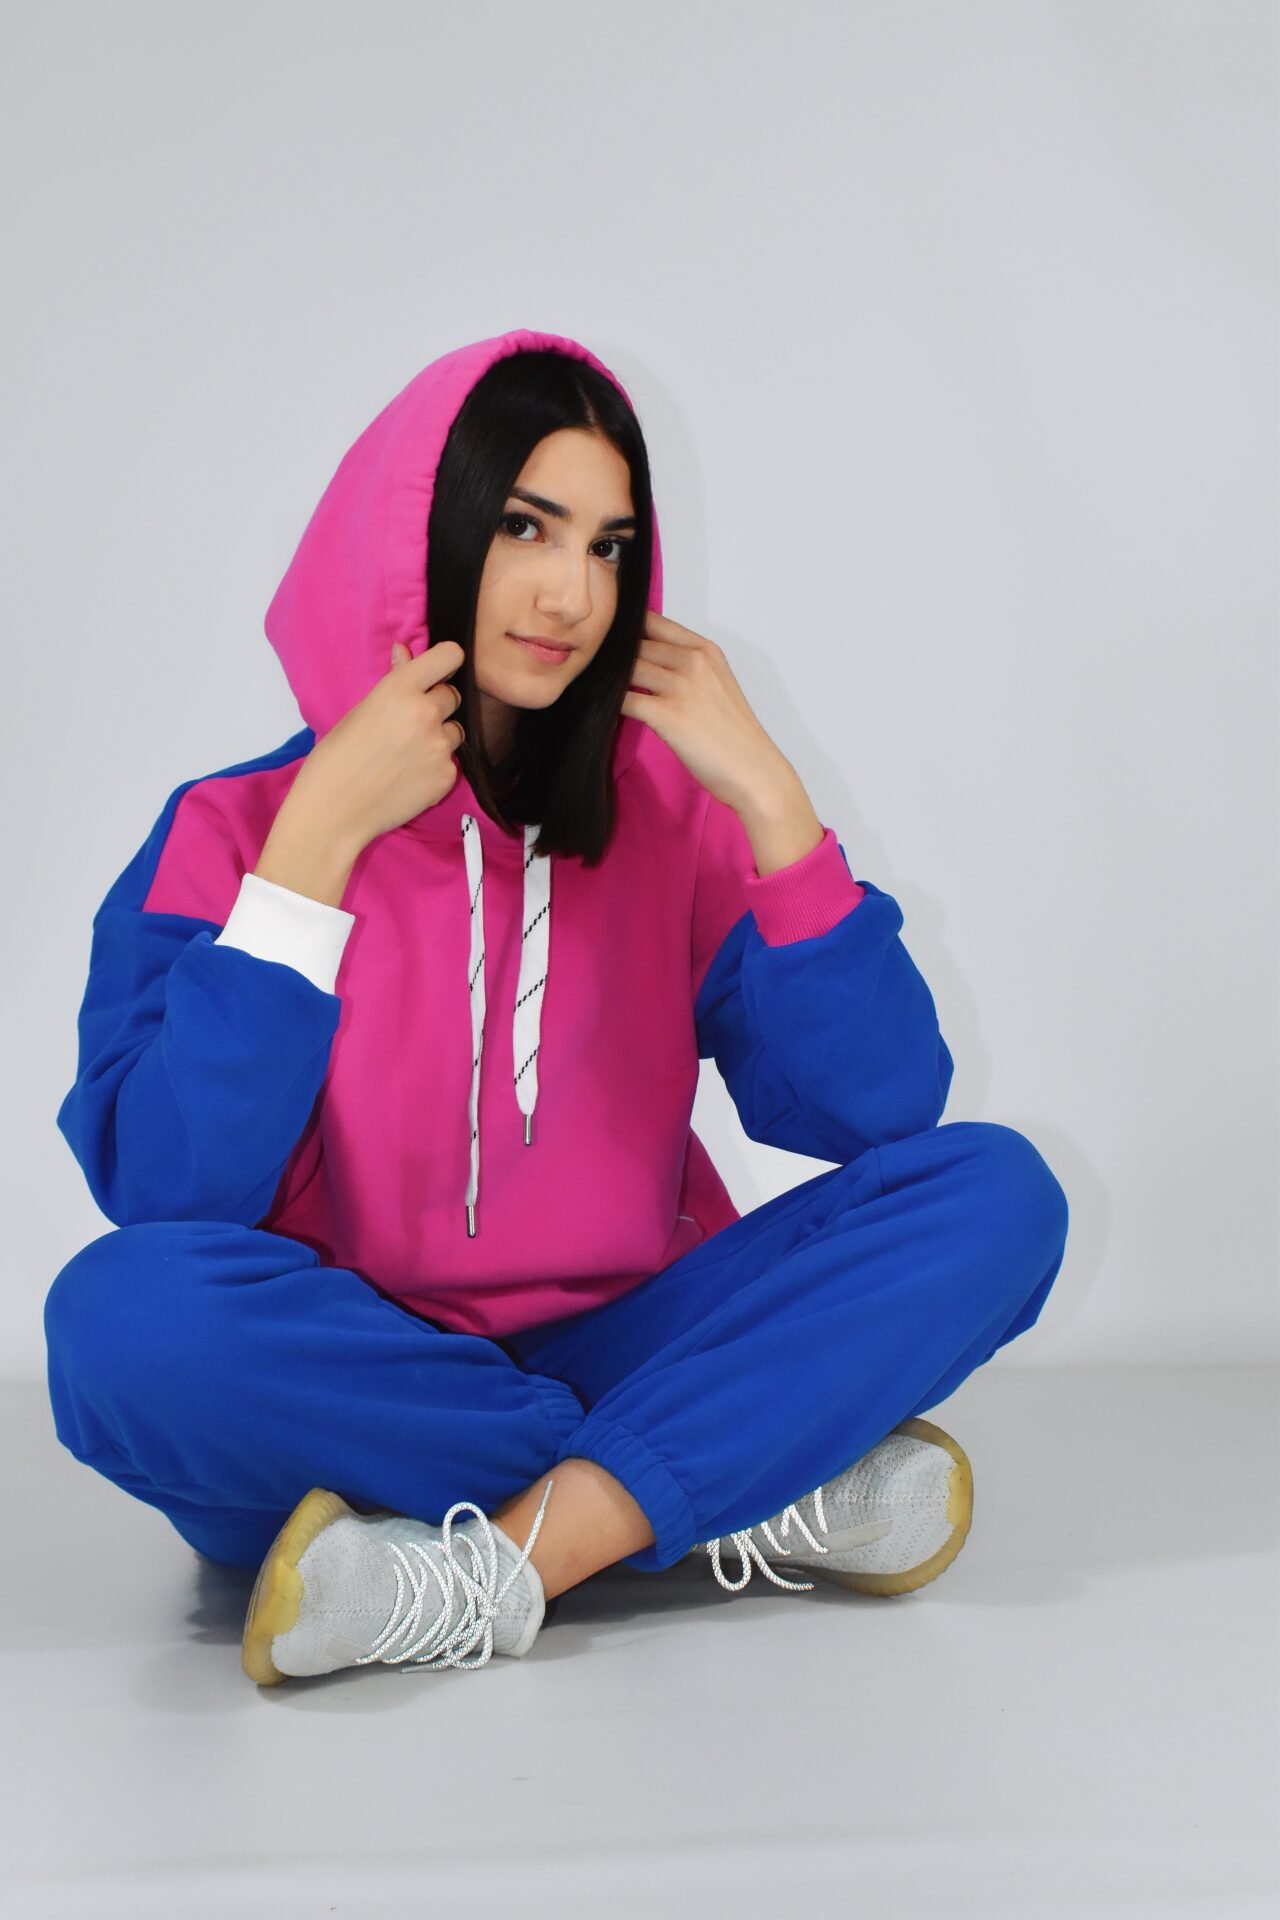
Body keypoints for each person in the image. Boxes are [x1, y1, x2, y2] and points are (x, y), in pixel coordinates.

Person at [43, 327, 1070, 1687]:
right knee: (121, 1321)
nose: (572, 592)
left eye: (608, 545)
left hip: (632, 1338)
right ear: (421, 537)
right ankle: (713, 1483)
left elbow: (873, 1111)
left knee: (998, 1192)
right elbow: (172, 1190)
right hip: (350, 1389)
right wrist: (312, 856)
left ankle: (484, 1566)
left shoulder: (667, 813)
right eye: (526, 526)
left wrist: (774, 807)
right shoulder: (234, 829)